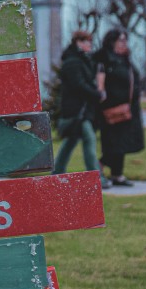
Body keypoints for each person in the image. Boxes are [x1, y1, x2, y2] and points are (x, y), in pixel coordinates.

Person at [52, 30, 109, 187]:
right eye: (86, 41)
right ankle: (96, 177)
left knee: (71, 141)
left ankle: (56, 174)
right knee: (89, 139)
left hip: (80, 109)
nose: (89, 44)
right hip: (76, 110)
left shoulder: (82, 60)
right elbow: (79, 85)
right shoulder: (73, 62)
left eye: (90, 41)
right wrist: (97, 94)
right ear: (78, 42)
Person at [94, 28, 145, 187]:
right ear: (112, 42)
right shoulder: (105, 59)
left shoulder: (124, 60)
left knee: (123, 142)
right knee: (113, 143)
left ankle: (117, 174)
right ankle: (99, 166)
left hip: (127, 109)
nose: (124, 44)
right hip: (112, 109)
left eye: (125, 40)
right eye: (121, 40)